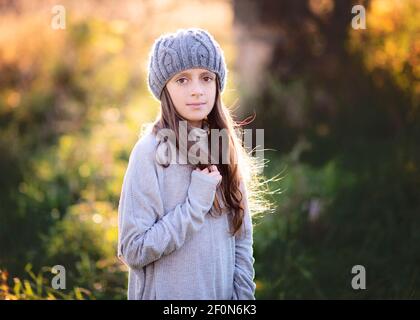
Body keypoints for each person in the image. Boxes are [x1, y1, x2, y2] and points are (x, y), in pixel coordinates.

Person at [117, 27, 257, 300]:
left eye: (206, 78)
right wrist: (194, 205)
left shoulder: (223, 145)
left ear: (217, 84)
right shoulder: (149, 153)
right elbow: (133, 249)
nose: (196, 91)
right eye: (182, 80)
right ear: (164, 89)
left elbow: (242, 240)